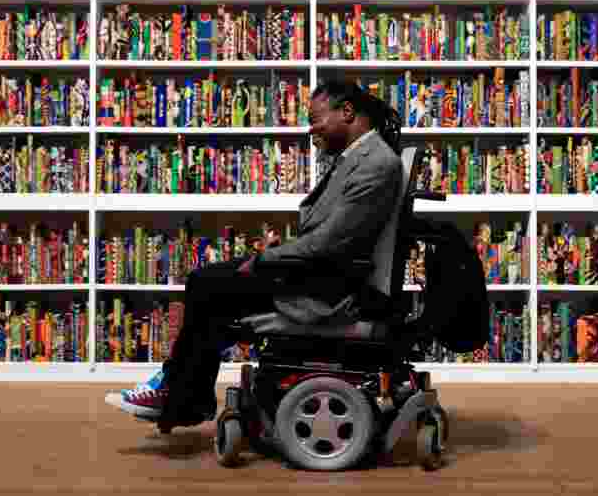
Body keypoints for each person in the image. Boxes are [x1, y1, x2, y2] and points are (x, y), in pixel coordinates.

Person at [105, 80, 404, 430]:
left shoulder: (375, 163)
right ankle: (179, 391)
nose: (311, 128)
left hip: (328, 288)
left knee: (208, 286)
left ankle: (180, 393)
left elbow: (329, 243)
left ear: (347, 112)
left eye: (316, 119)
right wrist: (273, 255)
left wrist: (265, 259)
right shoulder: (357, 158)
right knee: (210, 286)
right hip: (319, 273)